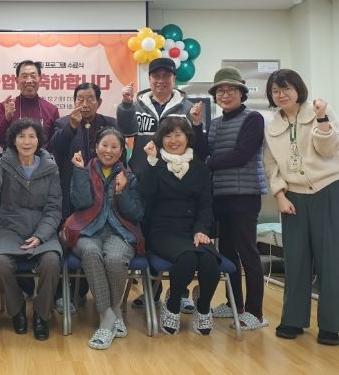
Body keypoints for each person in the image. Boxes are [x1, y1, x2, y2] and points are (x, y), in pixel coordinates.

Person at [263, 69, 339, 346]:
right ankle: (293, 319)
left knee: (330, 260)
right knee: (295, 259)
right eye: (275, 91)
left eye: (286, 89)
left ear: (298, 90)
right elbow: (271, 165)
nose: (281, 95)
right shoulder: (272, 127)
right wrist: (279, 195)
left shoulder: (319, 111)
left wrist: (322, 119)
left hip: (327, 190)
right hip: (293, 196)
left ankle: (332, 324)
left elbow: (328, 150)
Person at [191, 67, 268, 330]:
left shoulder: (253, 118)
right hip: (220, 195)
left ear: (241, 92)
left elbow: (241, 154)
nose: (225, 95)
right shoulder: (215, 123)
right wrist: (197, 126)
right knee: (226, 253)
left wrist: (209, 162)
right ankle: (235, 303)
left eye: (231, 90)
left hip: (245, 195)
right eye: (220, 91)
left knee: (247, 253)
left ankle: (256, 312)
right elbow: (203, 151)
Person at [117, 57, 195, 310]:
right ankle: (151, 291)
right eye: (156, 76)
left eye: (166, 76)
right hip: (146, 181)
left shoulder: (187, 107)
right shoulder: (137, 104)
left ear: (174, 79)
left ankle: (180, 292)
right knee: (148, 236)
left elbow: (194, 144)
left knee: (179, 236)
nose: (161, 81)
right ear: (149, 79)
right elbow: (125, 131)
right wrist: (126, 105)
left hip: (177, 183)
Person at [0, 118, 62, 341]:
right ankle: (17, 310)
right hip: (9, 226)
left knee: (51, 262)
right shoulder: (4, 162)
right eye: (21, 136)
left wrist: (41, 235)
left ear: (39, 140)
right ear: (13, 141)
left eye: (32, 136)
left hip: (42, 227)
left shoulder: (50, 168)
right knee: (0, 264)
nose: (27, 141)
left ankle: (41, 314)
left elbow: (54, 208)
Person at [139, 116, 220, 336]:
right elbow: (145, 193)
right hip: (162, 230)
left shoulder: (200, 168)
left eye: (178, 135)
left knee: (210, 262)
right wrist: (151, 161)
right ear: (160, 140)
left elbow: (206, 205)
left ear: (187, 137)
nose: (173, 140)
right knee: (187, 258)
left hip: (192, 230)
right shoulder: (156, 164)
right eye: (168, 136)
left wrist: (201, 230)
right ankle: (173, 304)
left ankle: (203, 306)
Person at [65, 128, 144, 349]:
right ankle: (107, 315)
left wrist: (122, 191)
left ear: (121, 151)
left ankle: (113, 308)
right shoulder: (83, 170)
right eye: (104, 145)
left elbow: (137, 214)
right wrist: (79, 172)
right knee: (90, 252)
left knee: (115, 259)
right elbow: (79, 203)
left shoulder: (130, 176)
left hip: (120, 232)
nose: (108, 150)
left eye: (114, 146)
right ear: (96, 147)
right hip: (87, 230)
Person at [49, 82, 116, 312]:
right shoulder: (62, 123)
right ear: (74, 101)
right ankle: (61, 293)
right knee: (66, 240)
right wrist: (71, 127)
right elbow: (55, 149)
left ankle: (80, 292)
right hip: (69, 192)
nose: (85, 104)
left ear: (99, 102)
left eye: (90, 99)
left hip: (100, 195)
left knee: (91, 239)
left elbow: (119, 156)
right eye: (80, 99)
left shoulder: (110, 124)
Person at [0, 60, 59, 148]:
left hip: (42, 156)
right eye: (24, 76)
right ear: (17, 80)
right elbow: (0, 140)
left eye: (33, 76)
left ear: (40, 80)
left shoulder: (51, 110)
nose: (29, 80)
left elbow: (55, 144)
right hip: (12, 156)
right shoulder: (5, 107)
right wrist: (7, 119)